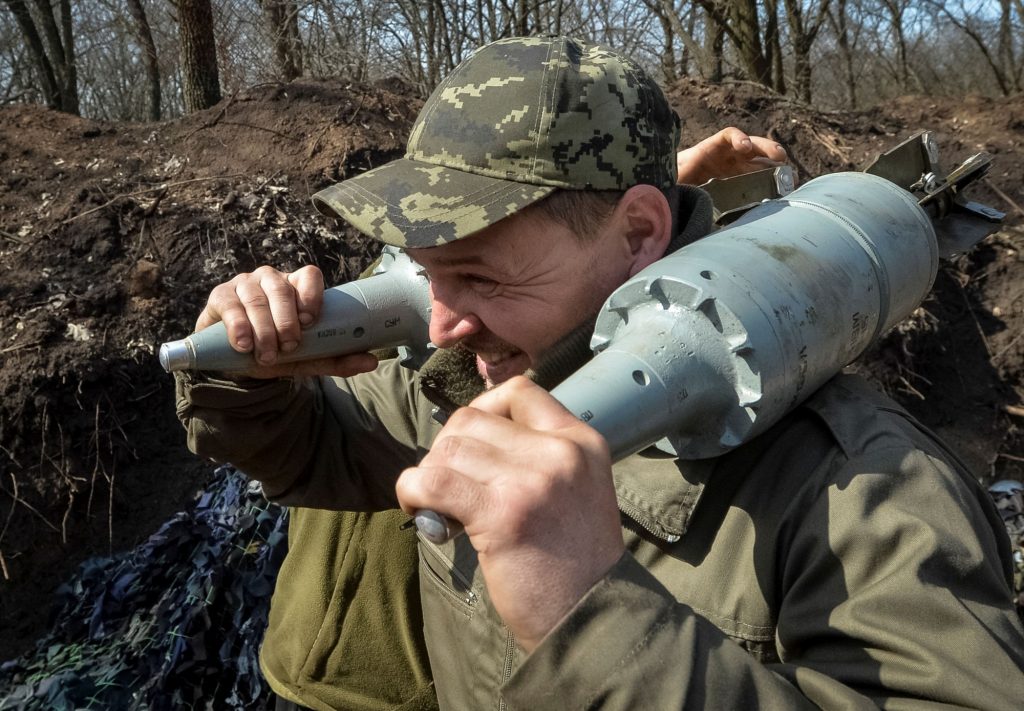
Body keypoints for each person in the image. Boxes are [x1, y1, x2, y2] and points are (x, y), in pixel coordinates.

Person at [176, 35, 1024, 709]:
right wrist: (243, 371)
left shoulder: (867, 496)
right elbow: (315, 448)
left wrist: (588, 613)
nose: (439, 322)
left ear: (639, 231)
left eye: (480, 276)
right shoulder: (476, 371)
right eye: (428, 277)